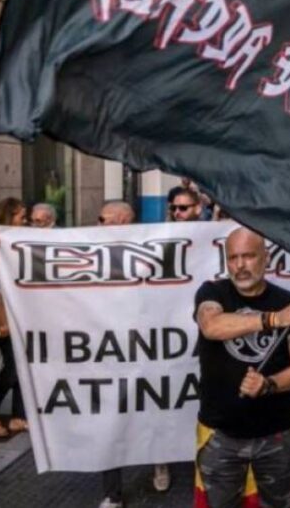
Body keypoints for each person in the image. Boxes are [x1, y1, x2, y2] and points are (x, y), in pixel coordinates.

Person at [194, 227, 290, 508]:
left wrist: (268, 384)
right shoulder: (212, 292)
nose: (240, 266)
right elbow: (211, 326)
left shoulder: (289, 303)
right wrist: (272, 319)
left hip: (277, 434)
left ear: (266, 258)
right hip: (221, 434)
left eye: (248, 256)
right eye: (233, 258)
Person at [96, 200, 171, 506]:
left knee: (152, 408)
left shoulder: (149, 248)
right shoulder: (87, 248)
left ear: (124, 222)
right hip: (106, 352)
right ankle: (111, 493)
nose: (100, 225)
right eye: (100, 220)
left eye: (106, 220)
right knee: (108, 420)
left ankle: (160, 459)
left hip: (145, 348)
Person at [0, 198, 28, 439]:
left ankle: (18, 417)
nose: (26, 220)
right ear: (10, 217)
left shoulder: (14, 241)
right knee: (13, 367)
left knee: (21, 366)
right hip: (6, 314)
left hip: (20, 314)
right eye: (22, 216)